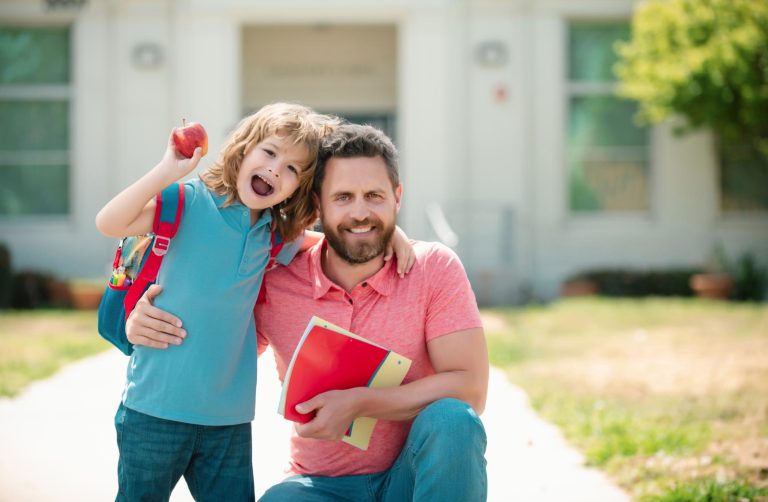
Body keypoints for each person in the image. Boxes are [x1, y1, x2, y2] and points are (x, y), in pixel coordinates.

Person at [126, 124, 489, 501]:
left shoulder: (433, 268)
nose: (361, 213)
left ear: (397, 198)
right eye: (344, 197)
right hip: (318, 486)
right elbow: (214, 338)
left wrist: (360, 402)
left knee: (453, 421)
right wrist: (143, 322)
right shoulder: (275, 279)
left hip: (410, 480)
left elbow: (470, 388)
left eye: (374, 196)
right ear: (318, 206)